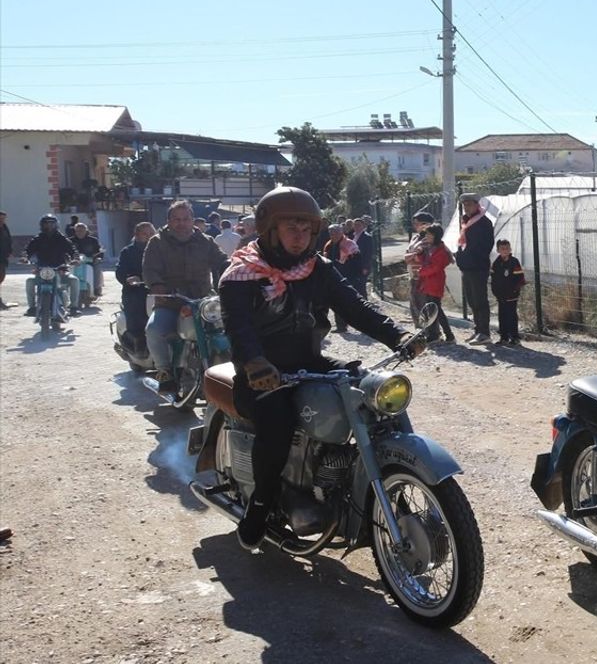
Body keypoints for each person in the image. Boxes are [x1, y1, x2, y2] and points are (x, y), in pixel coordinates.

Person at [218, 186, 425, 550]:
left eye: (306, 229)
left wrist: (398, 335)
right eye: (291, 229)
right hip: (262, 375)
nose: (300, 237)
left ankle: (369, 480)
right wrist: (254, 363)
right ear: (270, 230)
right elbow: (239, 329)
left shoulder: (318, 268)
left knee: (372, 392)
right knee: (278, 422)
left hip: (310, 361)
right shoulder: (241, 275)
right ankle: (261, 505)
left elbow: (357, 308)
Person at [142, 200, 229, 391]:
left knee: (230, 329)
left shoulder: (206, 241)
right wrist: (158, 288)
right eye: (176, 219)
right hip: (171, 301)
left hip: (203, 302)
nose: (181, 223)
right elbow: (150, 269)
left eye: (186, 219)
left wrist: (233, 270)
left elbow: (222, 260)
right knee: (154, 329)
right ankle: (164, 371)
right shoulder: (157, 242)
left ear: (192, 220)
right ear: (169, 221)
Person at [456, 192, 494, 344]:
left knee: (480, 300)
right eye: (464, 205)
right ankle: (478, 330)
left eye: (469, 204)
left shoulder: (483, 222)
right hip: (467, 267)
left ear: (476, 205)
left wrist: (471, 257)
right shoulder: (466, 221)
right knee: (471, 299)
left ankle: (484, 333)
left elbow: (486, 245)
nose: (466, 207)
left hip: (478, 267)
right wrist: (460, 257)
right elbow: (463, 243)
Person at [24, 214, 80, 316]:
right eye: (46, 224)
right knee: (29, 282)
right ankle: (32, 307)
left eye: (51, 224)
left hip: (59, 269)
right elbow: (28, 251)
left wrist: (75, 258)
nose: (49, 226)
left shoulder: (62, 238)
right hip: (42, 270)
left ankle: (74, 307)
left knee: (74, 280)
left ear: (56, 225)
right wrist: (25, 257)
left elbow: (72, 250)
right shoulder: (37, 239)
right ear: (42, 225)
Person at [115, 221, 155, 353]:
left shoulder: (160, 250)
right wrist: (129, 279)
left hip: (157, 290)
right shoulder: (128, 252)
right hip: (136, 290)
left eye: (151, 233)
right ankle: (138, 343)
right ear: (137, 235)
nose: (149, 237)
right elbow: (120, 271)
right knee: (137, 311)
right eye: (145, 234)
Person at [414, 223, 455, 343]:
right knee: (431, 309)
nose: (427, 236)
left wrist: (420, 272)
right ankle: (435, 334)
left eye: (429, 234)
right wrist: (420, 254)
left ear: (435, 236)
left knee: (436, 309)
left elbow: (435, 267)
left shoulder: (441, 251)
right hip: (428, 281)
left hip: (435, 282)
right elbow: (426, 262)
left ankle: (446, 334)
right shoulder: (431, 248)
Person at [319, 223, 360, 332]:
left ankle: (356, 321)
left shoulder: (349, 244)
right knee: (336, 301)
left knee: (347, 301)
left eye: (336, 232)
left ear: (341, 232)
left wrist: (354, 275)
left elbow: (356, 260)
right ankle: (340, 326)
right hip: (333, 276)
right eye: (331, 233)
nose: (333, 235)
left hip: (347, 276)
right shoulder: (328, 245)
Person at [490, 239, 526, 346]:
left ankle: (515, 337)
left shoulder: (514, 262)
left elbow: (520, 278)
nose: (505, 251)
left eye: (507, 248)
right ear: (498, 250)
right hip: (501, 296)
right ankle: (504, 337)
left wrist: (515, 290)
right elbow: (493, 278)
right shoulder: (496, 263)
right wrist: (495, 291)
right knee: (502, 316)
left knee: (512, 316)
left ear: (510, 249)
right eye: (502, 249)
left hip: (512, 295)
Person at [404, 211, 433, 327]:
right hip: (413, 274)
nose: (415, 226)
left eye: (418, 223)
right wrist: (410, 256)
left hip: (423, 276)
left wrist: (411, 256)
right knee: (414, 302)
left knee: (424, 303)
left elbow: (420, 256)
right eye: (414, 223)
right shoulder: (415, 237)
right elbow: (407, 254)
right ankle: (419, 328)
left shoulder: (429, 238)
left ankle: (429, 330)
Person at [70, 222, 105, 299]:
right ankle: (66, 290)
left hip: (90, 262)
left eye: (82, 230)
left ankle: (96, 288)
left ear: (86, 231)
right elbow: (65, 251)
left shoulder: (93, 240)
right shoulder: (70, 241)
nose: (80, 232)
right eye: (78, 231)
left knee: (97, 266)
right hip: (74, 263)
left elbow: (99, 251)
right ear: (75, 231)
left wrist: (98, 258)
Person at [349, 217, 374, 298]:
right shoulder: (352, 236)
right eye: (355, 225)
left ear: (363, 226)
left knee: (362, 287)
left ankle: (365, 304)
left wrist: (365, 267)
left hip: (362, 266)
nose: (357, 227)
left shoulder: (367, 237)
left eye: (359, 225)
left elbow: (369, 254)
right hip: (353, 265)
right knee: (355, 286)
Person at [0, 210, 12, 307]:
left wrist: (10, 251)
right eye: (1, 218)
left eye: (4, 218)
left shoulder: (4, 227)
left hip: (3, 257)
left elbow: (8, 239)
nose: (2, 220)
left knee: (1, 277)